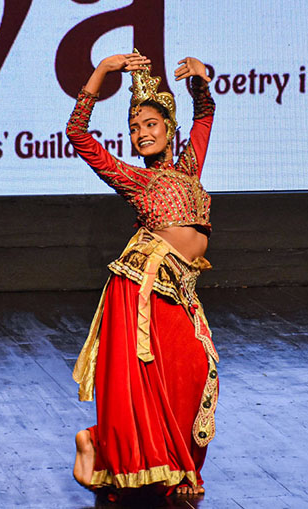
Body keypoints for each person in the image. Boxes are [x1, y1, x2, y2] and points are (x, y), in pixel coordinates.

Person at [65, 50, 218, 497]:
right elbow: (77, 134)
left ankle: (174, 463)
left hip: (179, 286)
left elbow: (205, 114)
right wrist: (101, 73)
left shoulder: (189, 167)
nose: (141, 134)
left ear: (169, 130)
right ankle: (103, 445)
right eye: (134, 128)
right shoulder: (133, 179)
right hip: (140, 288)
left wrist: (199, 81)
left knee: (192, 371)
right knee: (152, 380)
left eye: (150, 125)